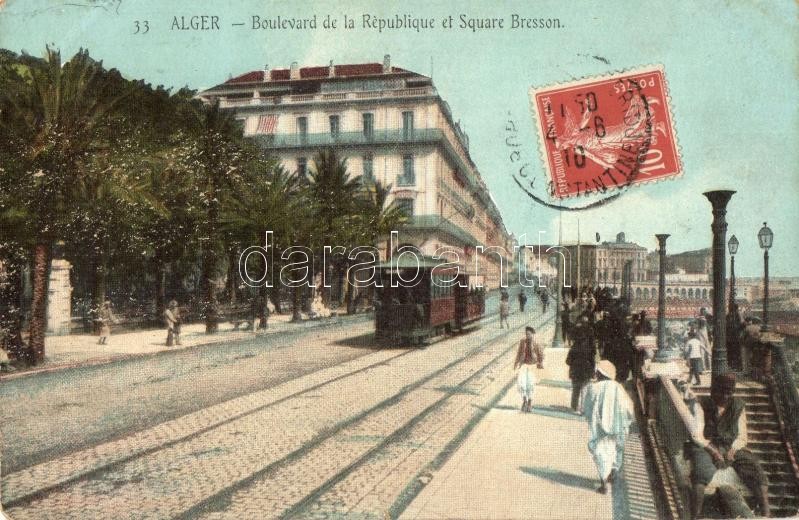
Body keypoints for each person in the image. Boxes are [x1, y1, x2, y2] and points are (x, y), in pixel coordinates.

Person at [687, 373, 770, 518]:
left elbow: (742, 436)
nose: (725, 396)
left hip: (731, 445)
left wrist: (733, 449)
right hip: (707, 445)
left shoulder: (738, 406)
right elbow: (697, 435)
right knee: (700, 472)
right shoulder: (701, 404)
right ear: (714, 391)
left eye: (729, 392)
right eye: (722, 391)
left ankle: (765, 513)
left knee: (755, 468)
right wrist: (714, 452)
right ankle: (695, 516)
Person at [582, 360, 634, 494]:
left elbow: (586, 408)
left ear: (599, 373)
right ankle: (613, 472)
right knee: (615, 450)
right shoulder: (618, 387)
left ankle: (603, 482)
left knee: (600, 453)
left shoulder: (593, 388)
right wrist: (627, 421)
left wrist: (591, 418)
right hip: (617, 427)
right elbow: (628, 407)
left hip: (599, 428)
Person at [566, 315, 596, 412]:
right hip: (586, 371)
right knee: (584, 390)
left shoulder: (574, 348)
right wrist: (592, 371)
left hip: (575, 371)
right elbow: (593, 360)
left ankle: (574, 407)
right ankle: (583, 409)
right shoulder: (590, 348)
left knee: (576, 389)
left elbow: (568, 361)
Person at [514, 326, 544, 412]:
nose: (527, 335)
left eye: (529, 334)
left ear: (532, 334)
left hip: (532, 365)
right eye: (526, 334)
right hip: (524, 364)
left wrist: (540, 362)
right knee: (522, 384)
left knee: (530, 385)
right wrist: (516, 363)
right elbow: (519, 352)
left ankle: (530, 402)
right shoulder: (523, 342)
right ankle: (524, 401)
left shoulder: (536, 343)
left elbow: (540, 353)